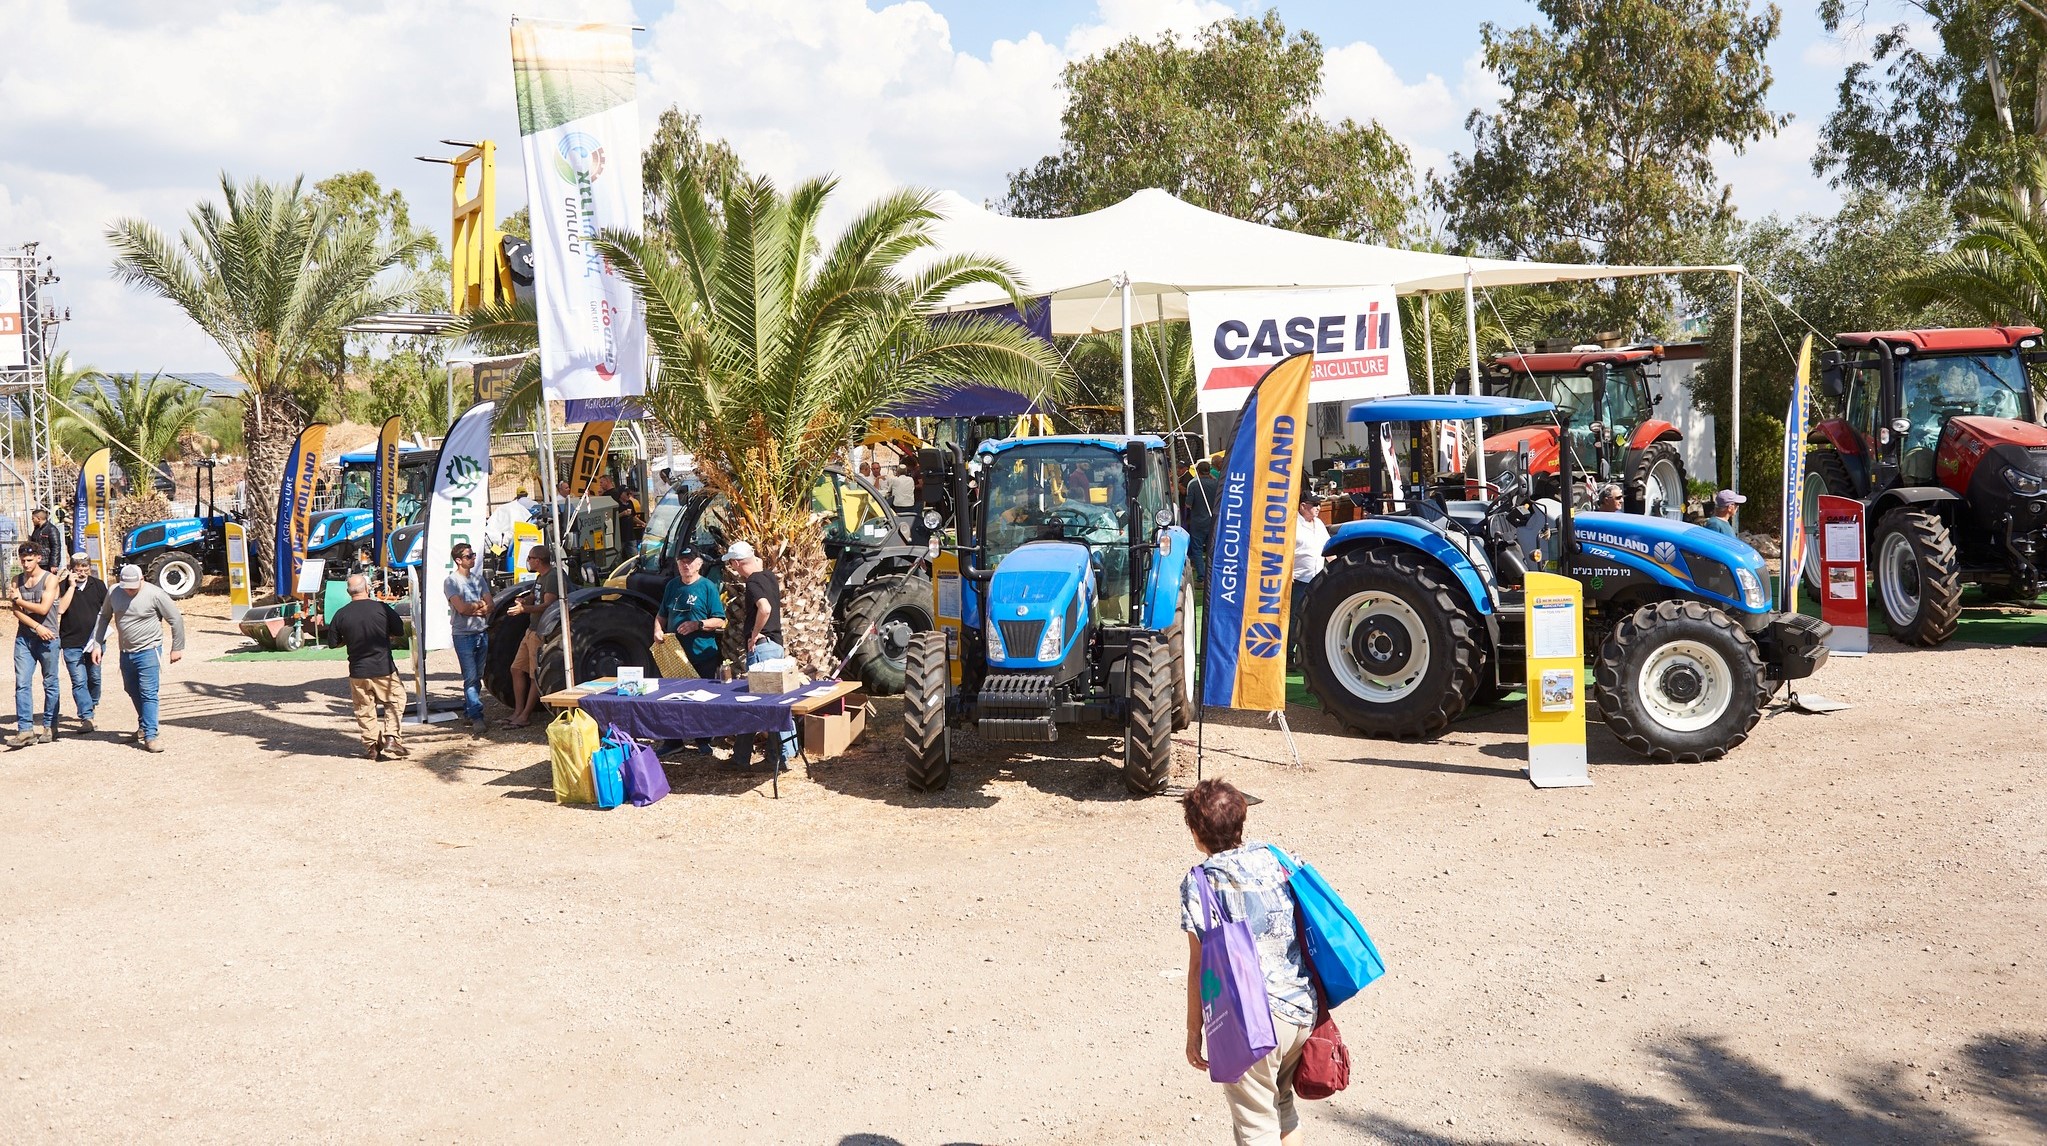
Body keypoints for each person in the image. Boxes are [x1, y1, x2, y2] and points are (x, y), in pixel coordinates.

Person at [1179, 778, 1316, 1146]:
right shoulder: (1276, 857)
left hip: (1252, 1024)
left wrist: (1195, 1033)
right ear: (1241, 823)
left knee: (1257, 1128)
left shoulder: (1201, 883)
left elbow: (1199, 968)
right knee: (1281, 1108)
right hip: (1301, 1011)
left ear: (1196, 832)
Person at [88, 564, 186, 753]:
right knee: (131, 688)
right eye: (126, 586)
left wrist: (177, 647)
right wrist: (97, 644)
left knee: (148, 692)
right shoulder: (114, 592)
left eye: (134, 586)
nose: (130, 590)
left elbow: (175, 619)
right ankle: (144, 726)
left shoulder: (155, 594)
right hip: (126, 652)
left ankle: (151, 735)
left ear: (142, 579)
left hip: (149, 650)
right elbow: (104, 616)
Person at [724, 541, 792, 773]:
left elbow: (764, 608)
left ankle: (774, 759)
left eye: (732, 564)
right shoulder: (768, 576)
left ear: (735, 563)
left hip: (762, 648)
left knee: (758, 705)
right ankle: (749, 757)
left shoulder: (753, 582)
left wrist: (754, 635)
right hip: (776, 647)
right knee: (769, 704)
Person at [653, 546, 726, 754]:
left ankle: (703, 740)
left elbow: (720, 620)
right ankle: (673, 741)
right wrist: (657, 630)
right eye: (682, 561)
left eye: (690, 561)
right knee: (670, 698)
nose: (686, 565)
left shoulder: (707, 587)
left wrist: (697, 625)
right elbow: (661, 615)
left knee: (701, 699)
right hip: (674, 655)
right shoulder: (672, 586)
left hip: (702, 653)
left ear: (699, 564)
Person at [329, 573, 409, 762]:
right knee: (396, 699)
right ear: (367, 588)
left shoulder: (341, 614)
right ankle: (391, 737)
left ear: (349, 592)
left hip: (357, 671)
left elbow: (333, 643)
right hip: (383, 668)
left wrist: (347, 640)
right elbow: (398, 630)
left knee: (364, 708)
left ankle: (372, 747)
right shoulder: (382, 608)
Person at [8, 543, 61, 746]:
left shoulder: (50, 579)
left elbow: (44, 608)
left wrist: (20, 600)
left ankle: (50, 726)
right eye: (22, 560)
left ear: (38, 558)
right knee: (22, 683)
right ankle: (25, 730)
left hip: (49, 639)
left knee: (50, 682)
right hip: (25, 638)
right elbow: (16, 611)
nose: (26, 564)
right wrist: (36, 627)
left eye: (29, 560)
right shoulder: (17, 580)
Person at [504, 546, 560, 728]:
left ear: (538, 560)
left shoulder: (551, 577)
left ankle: (525, 715)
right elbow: (535, 597)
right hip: (531, 629)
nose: (527, 561)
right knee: (516, 669)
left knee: (535, 675)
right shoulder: (541, 577)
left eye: (529, 558)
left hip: (540, 631)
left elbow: (548, 605)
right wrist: (524, 601)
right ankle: (518, 711)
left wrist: (523, 609)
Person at [55, 552, 106, 735]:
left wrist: (99, 638)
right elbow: (60, 609)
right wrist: (70, 586)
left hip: (94, 641)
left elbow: (107, 612)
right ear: (72, 570)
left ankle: (91, 704)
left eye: (85, 568)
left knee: (95, 677)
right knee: (79, 681)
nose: (82, 572)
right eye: (78, 569)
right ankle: (86, 716)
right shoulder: (63, 586)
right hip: (71, 641)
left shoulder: (98, 586)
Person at [443, 543, 491, 736]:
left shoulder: (479, 579)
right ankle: (476, 715)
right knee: (470, 676)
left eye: (473, 555)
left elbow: (492, 604)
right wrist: (481, 606)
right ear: (458, 560)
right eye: (469, 556)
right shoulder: (451, 581)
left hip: (480, 632)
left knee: (477, 676)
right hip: (463, 634)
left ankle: (469, 709)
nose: (472, 558)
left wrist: (476, 608)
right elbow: (461, 608)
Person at [1289, 493, 1328, 670]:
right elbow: (1285, 550)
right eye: (1314, 504)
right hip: (1299, 580)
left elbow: (1327, 548)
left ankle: (1305, 656)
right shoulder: (1293, 525)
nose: (1318, 507)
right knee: (1294, 619)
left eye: (1319, 504)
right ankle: (1288, 655)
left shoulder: (1319, 524)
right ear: (1303, 506)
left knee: (1314, 618)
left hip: (1317, 579)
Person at [1185, 461, 1221, 584]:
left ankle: (1202, 577)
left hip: (1198, 521)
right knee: (1213, 549)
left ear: (1198, 471)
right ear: (1209, 470)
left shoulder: (1194, 485)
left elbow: (1188, 504)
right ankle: (1213, 576)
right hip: (1213, 521)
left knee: (1197, 550)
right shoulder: (1216, 483)